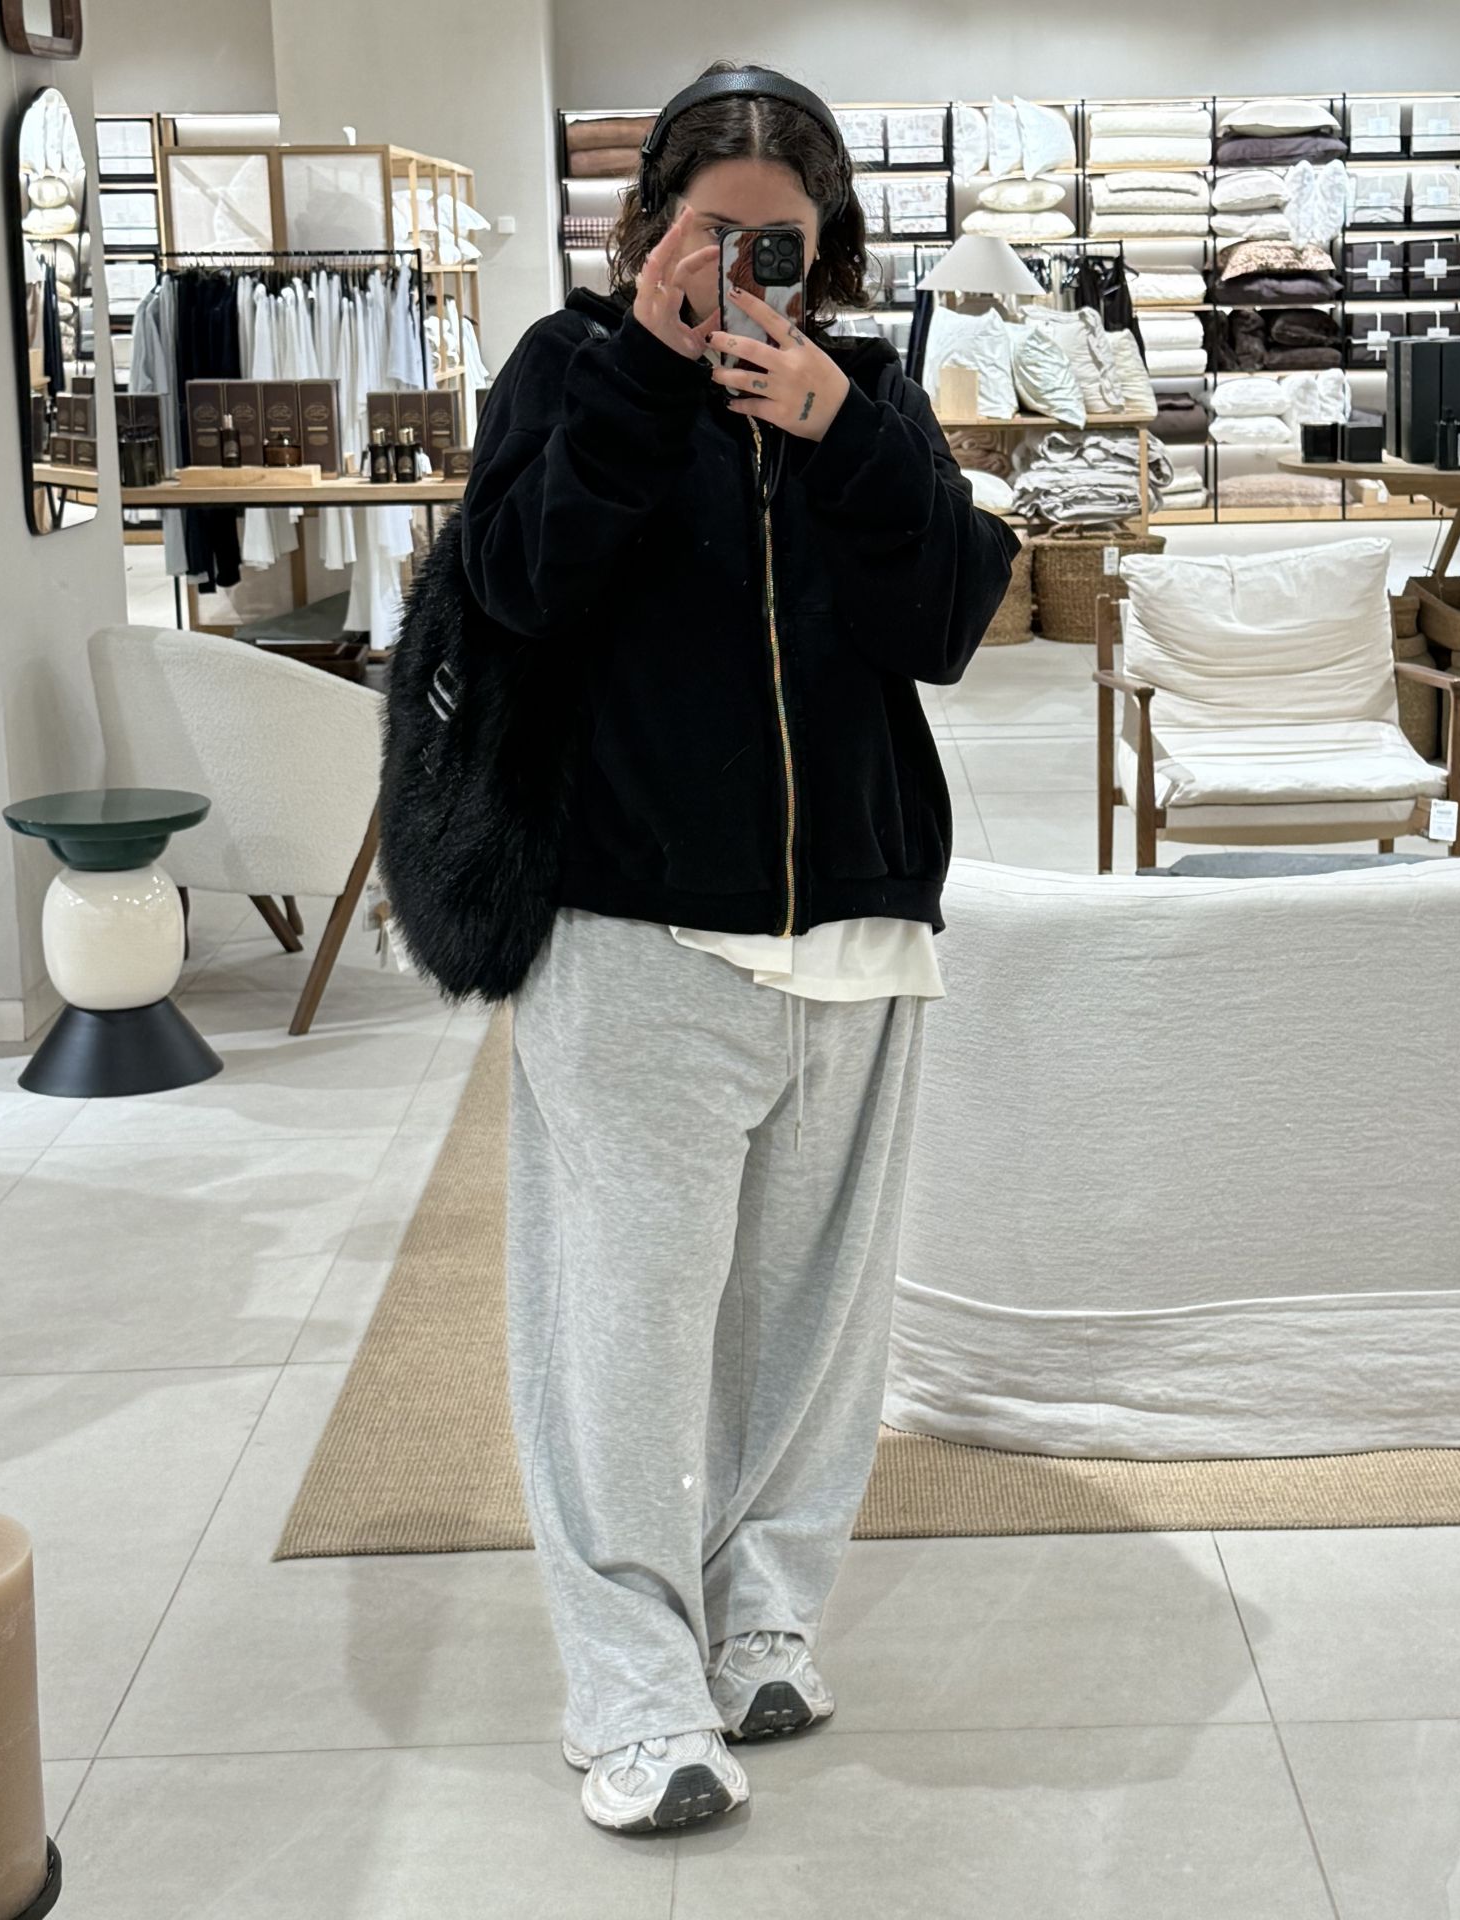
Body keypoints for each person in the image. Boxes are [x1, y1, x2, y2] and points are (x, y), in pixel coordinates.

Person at [460, 61, 1018, 1833]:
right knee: (621, 1339)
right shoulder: (568, 371)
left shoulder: (871, 396)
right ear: (651, 228)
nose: (747, 275)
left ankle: (764, 1614)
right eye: (716, 236)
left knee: (812, 1326)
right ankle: (632, 1694)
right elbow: (515, 587)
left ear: (825, 249)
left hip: (856, 930)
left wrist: (847, 435)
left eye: (784, 244)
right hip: (634, 935)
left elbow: (947, 625)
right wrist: (643, 377)